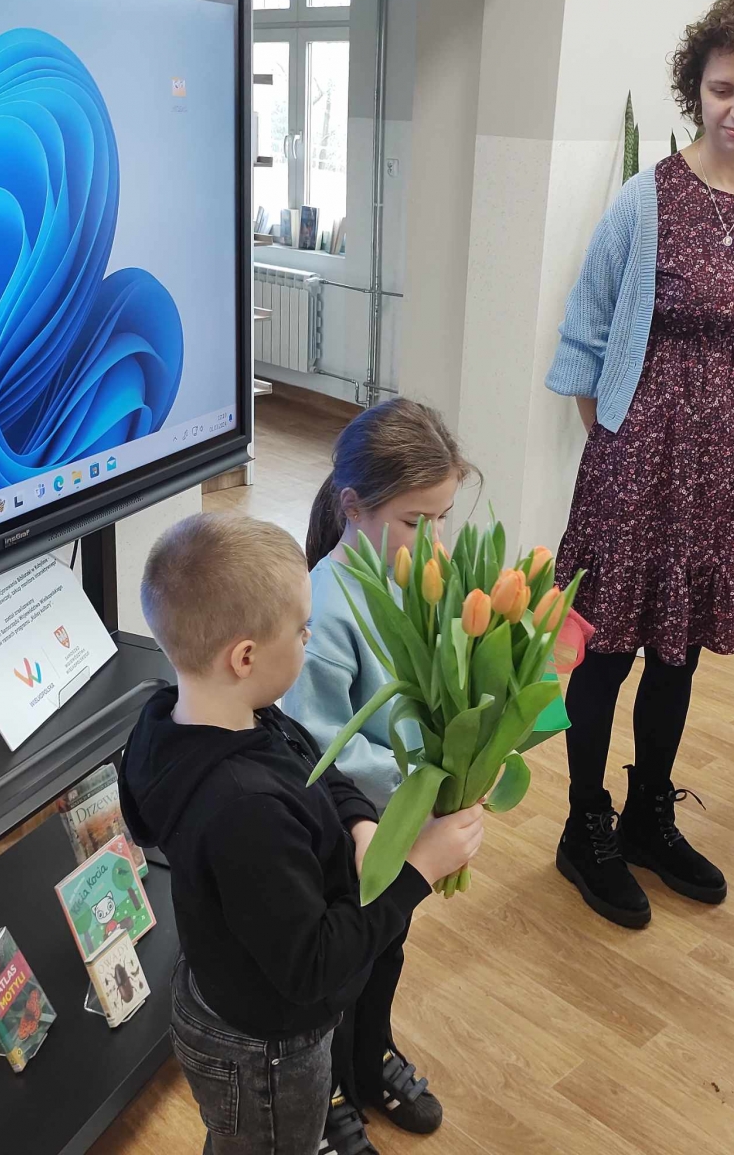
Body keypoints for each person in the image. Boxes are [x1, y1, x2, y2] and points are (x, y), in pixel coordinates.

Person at [546, 0, 734, 930]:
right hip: (639, 460)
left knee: (680, 654)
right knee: (608, 652)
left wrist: (727, 442)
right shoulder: (649, 197)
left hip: (724, 469)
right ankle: (583, 827)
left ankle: (646, 816)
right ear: (695, 90)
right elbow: (587, 328)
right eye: (721, 88)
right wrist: (617, 444)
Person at [118, 513, 484, 1155]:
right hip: (266, 1048)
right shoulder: (244, 810)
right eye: (301, 628)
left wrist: (360, 822)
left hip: (226, 991)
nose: (309, 636)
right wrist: (416, 872)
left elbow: (313, 762)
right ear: (246, 657)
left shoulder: (195, 717)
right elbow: (313, 965)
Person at [285, 397, 476, 1153]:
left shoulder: (410, 580)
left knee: (387, 950)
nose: (433, 541)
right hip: (348, 836)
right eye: (414, 521)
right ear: (353, 507)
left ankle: (371, 1056)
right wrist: (424, 779)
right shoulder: (325, 605)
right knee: (345, 972)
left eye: (442, 519)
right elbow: (319, 745)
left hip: (401, 826)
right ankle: (330, 1087)